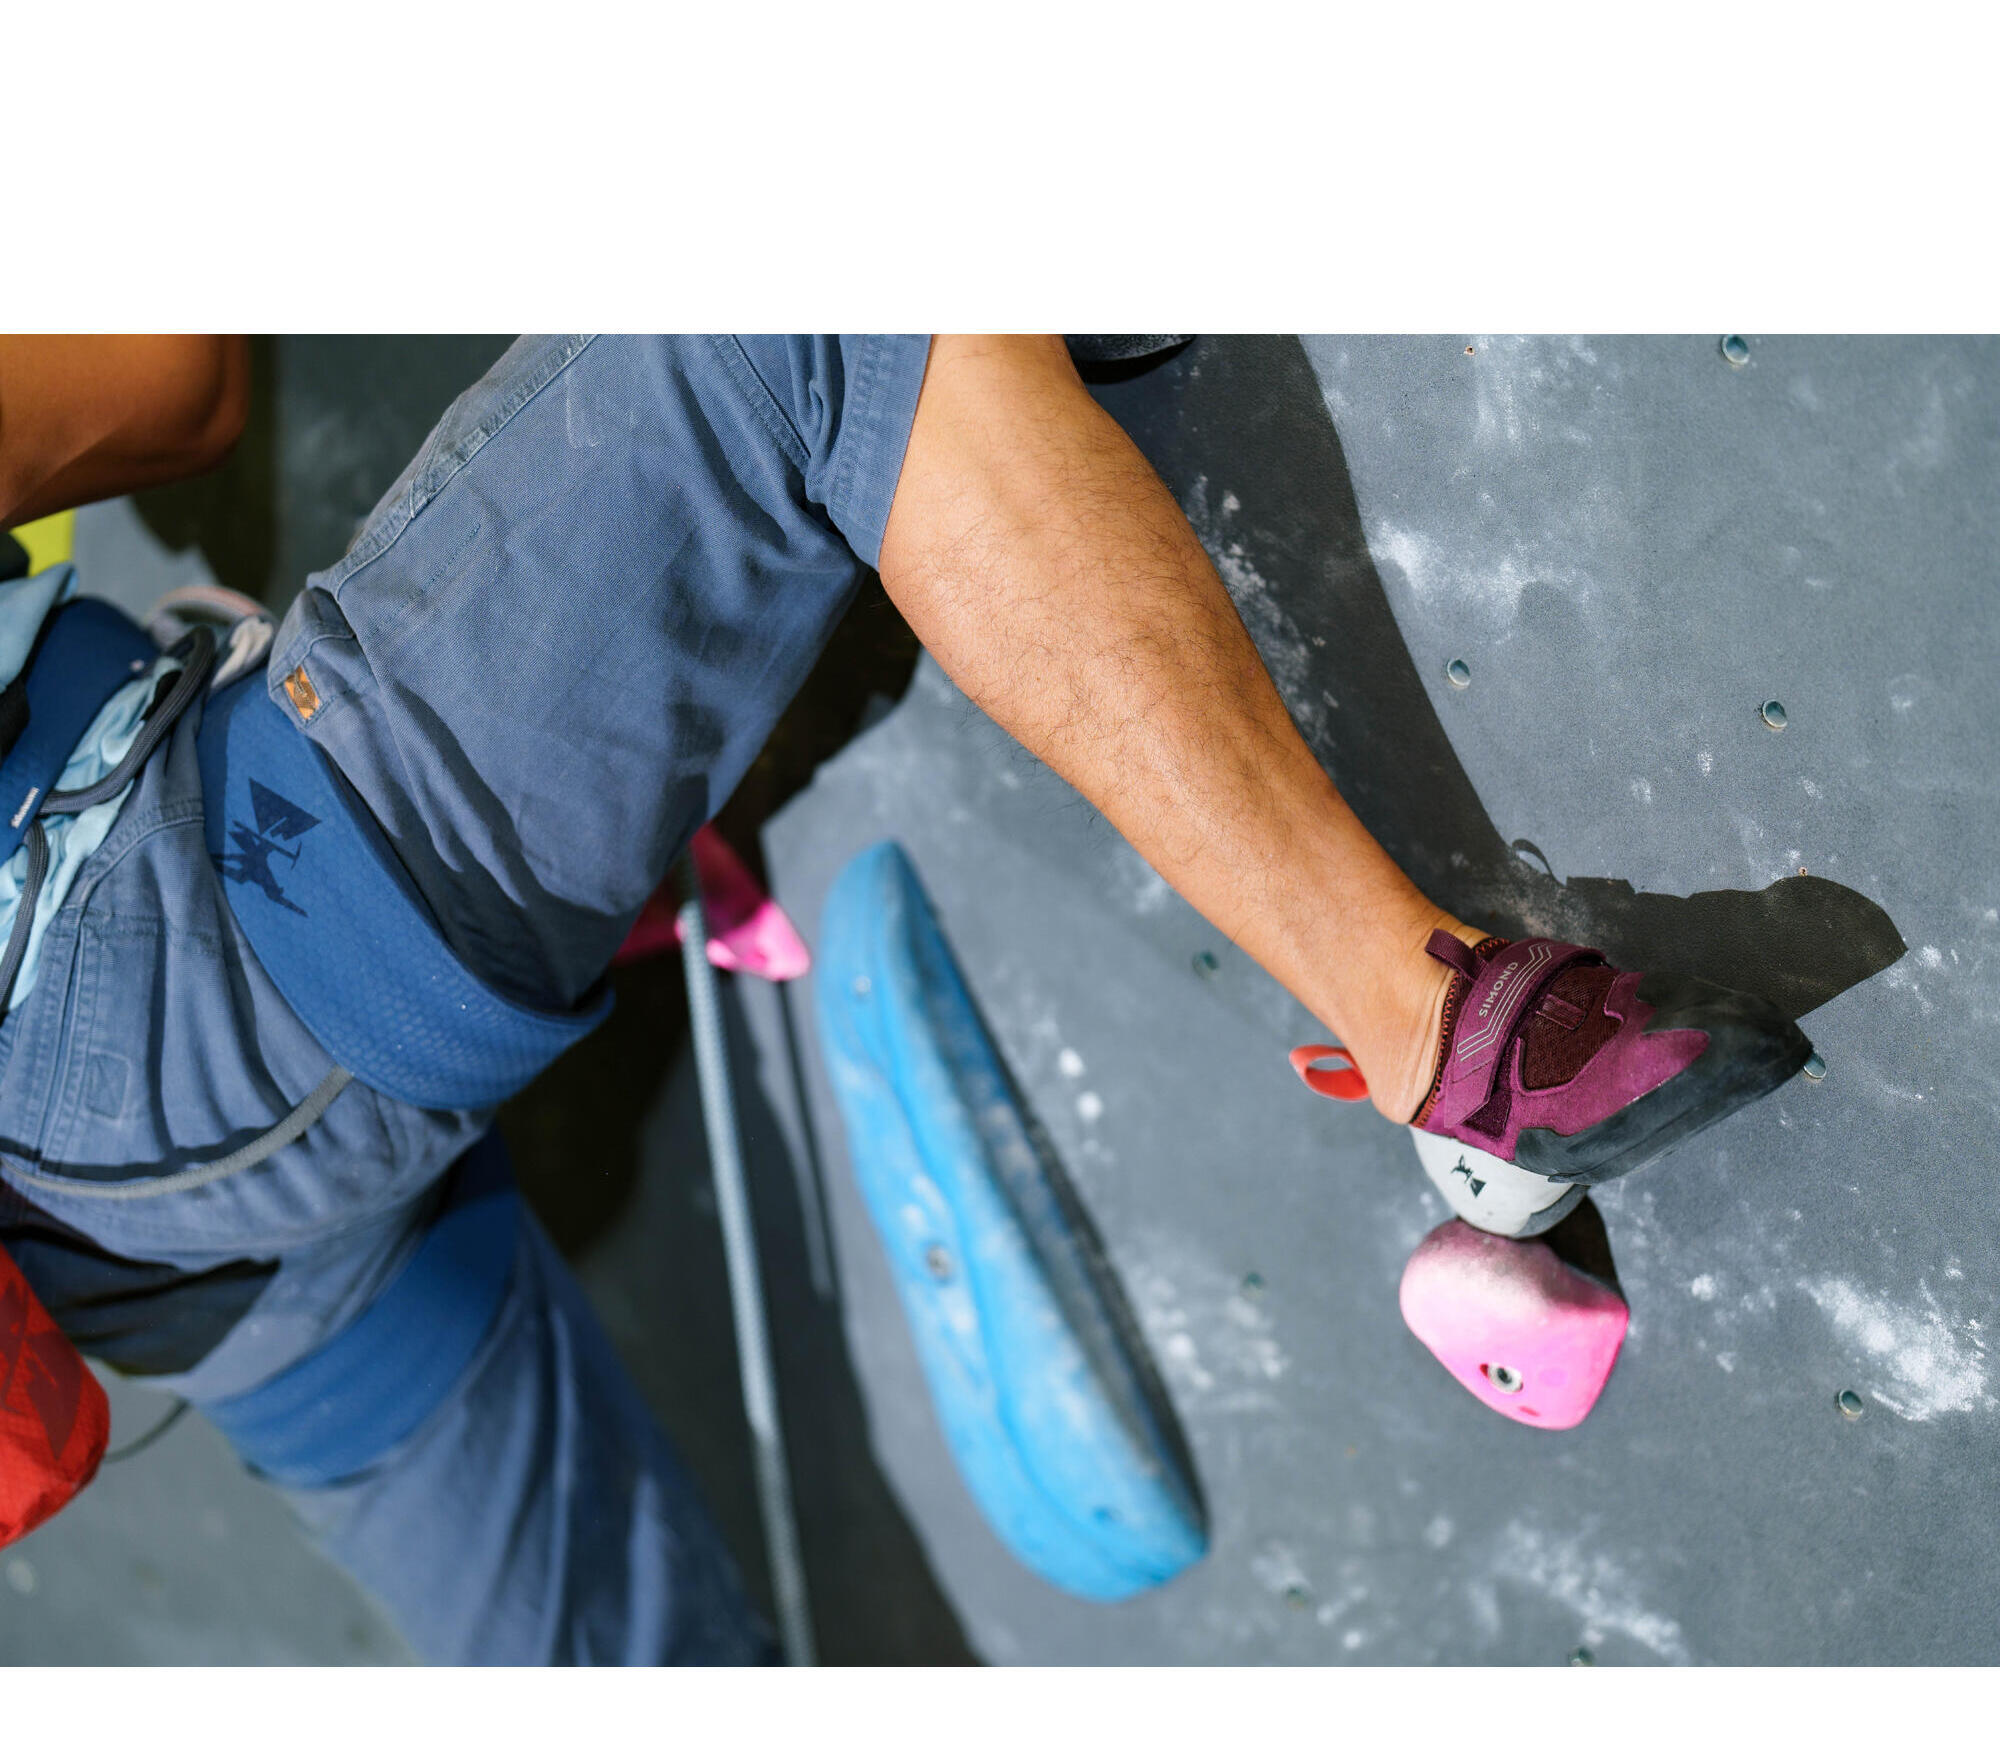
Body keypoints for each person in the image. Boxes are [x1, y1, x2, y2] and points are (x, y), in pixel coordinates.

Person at [0, 335, 1807, 1662]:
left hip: (169, 1276)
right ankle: (1445, 1039)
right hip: (203, 973)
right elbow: (167, 379)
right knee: (805, 315)